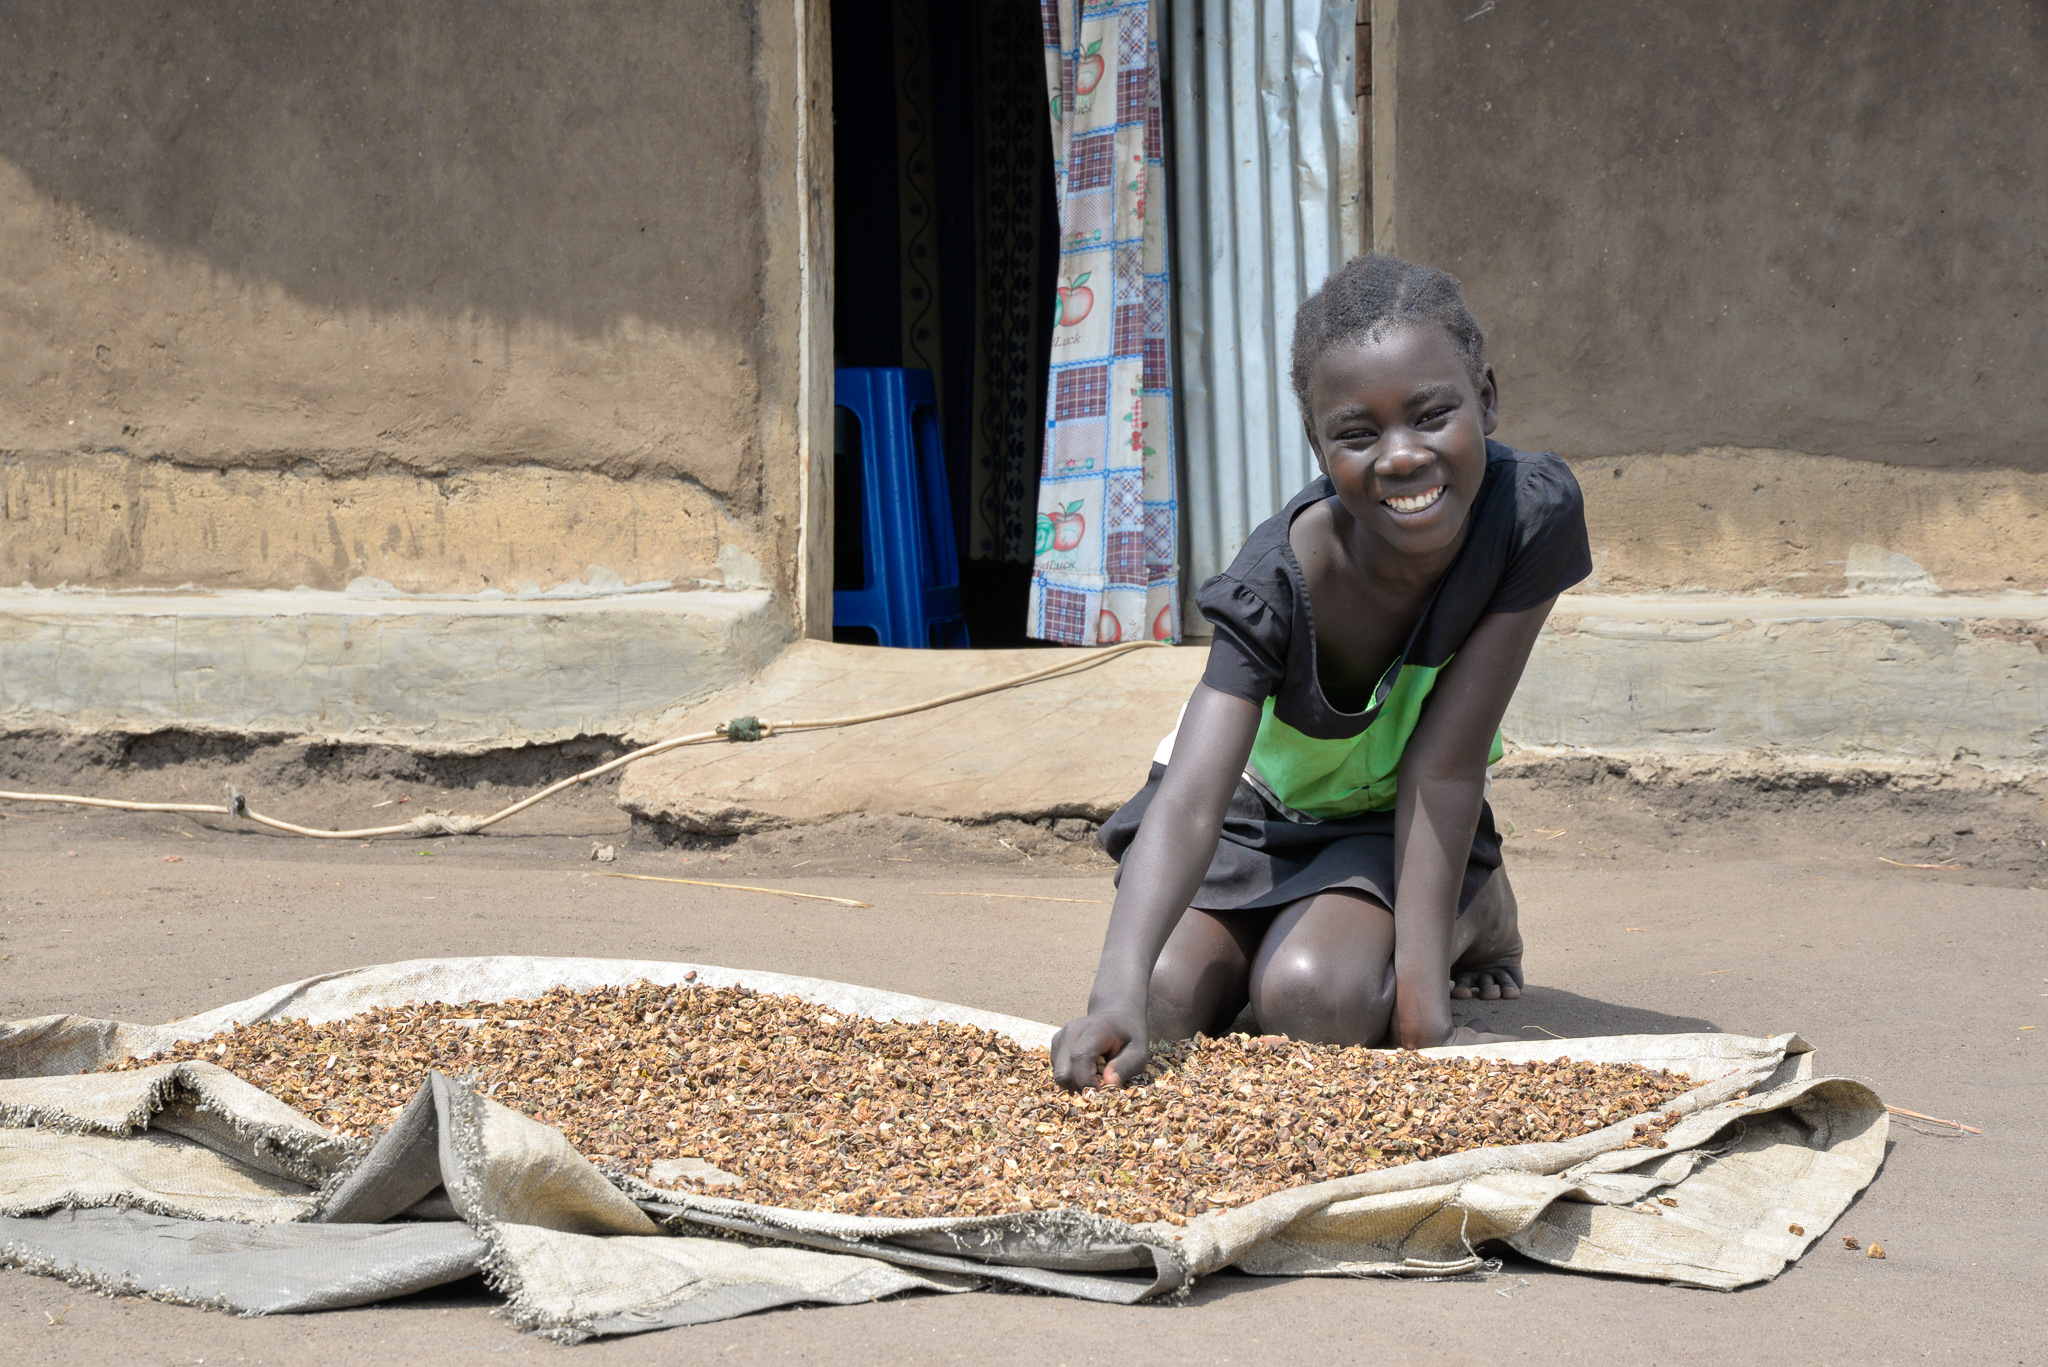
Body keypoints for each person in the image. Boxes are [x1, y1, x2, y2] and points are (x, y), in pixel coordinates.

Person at [1052, 253, 1592, 1091]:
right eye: (1358, 432)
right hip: (1249, 817)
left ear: (1485, 399)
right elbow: (1193, 797)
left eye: (1431, 414)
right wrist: (1111, 992)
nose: (1402, 457)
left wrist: (1423, 1012)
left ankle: (1474, 908)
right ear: (1317, 444)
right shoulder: (1278, 579)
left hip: (1385, 819)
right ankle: (1281, 935)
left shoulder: (1530, 517)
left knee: (1315, 1001)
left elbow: (1445, 762)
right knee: (1159, 999)